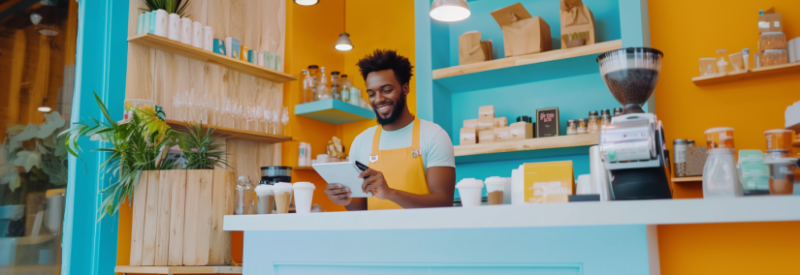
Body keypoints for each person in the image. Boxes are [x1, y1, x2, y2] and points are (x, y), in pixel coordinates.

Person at [324, 49, 456, 210]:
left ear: (405, 88)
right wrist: (345, 199)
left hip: (423, 234)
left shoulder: (434, 136)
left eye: (386, 90)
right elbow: (360, 208)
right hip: (377, 235)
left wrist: (391, 193)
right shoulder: (361, 142)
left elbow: (443, 202)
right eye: (371, 93)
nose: (378, 99)